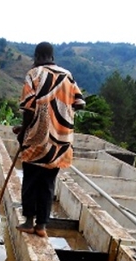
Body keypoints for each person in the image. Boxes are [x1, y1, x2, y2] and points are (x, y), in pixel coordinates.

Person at [13, 42, 85, 237]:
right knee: (47, 184)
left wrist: (22, 133)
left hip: (37, 138)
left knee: (30, 181)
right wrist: (59, 112)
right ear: (52, 56)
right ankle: (42, 225)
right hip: (60, 141)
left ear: (37, 55)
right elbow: (80, 103)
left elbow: (28, 109)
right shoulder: (67, 75)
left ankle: (28, 221)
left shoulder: (34, 74)